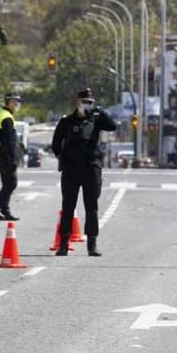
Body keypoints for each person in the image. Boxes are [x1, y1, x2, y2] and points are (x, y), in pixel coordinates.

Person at [51, 87, 117, 256]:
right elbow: (56, 144)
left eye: (90, 102)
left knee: (92, 207)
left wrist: (100, 111)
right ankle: (64, 244)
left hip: (91, 167)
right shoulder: (66, 121)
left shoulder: (96, 120)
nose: (87, 105)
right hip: (71, 168)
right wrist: (64, 158)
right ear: (77, 102)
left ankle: (92, 245)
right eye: (84, 102)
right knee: (68, 207)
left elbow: (112, 126)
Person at [0, 93, 22, 221]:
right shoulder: (7, 118)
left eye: (18, 102)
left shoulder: (3, 114)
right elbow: (9, 142)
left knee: (7, 184)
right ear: (9, 102)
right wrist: (13, 159)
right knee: (11, 184)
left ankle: (5, 211)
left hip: (2, 155)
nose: (17, 104)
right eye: (15, 101)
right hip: (7, 157)